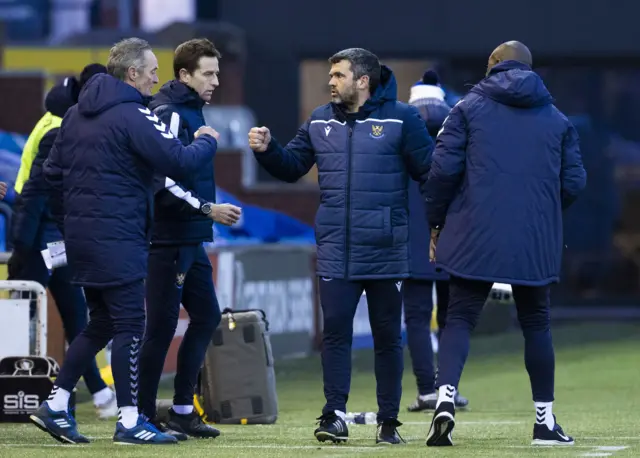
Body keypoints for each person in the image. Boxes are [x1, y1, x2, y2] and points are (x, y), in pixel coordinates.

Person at [29, 37, 219, 446]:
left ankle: (57, 406)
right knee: (131, 324)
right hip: (120, 238)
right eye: (151, 70)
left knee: (99, 324)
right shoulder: (133, 114)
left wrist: (72, 221)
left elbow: (51, 174)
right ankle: (131, 420)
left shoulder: (77, 114)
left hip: (82, 240)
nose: (156, 77)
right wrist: (206, 140)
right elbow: (179, 161)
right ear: (132, 74)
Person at [249, 48, 433, 445]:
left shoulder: (402, 119)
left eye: (338, 75)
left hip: (385, 248)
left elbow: (430, 172)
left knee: (387, 338)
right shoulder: (318, 121)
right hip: (335, 249)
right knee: (335, 335)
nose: (330, 81)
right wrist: (266, 151)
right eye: (330, 75)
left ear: (362, 80)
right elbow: (292, 166)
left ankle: (388, 423)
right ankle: (333, 415)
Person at [424, 41, 586, 447]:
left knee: (459, 318)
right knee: (537, 323)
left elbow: (442, 171)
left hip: (473, 230)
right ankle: (544, 422)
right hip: (534, 236)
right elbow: (575, 182)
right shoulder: (558, 119)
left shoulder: (466, 109)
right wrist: (544, 210)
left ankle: (444, 401)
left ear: (492, 66)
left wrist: (437, 221)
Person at [138, 38, 241, 441]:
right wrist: (206, 208)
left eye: (217, 72)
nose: (216, 80)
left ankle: (182, 409)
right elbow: (161, 179)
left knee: (207, 317)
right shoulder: (168, 113)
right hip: (168, 239)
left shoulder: (189, 109)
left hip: (189, 237)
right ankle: (142, 415)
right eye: (208, 73)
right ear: (185, 75)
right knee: (160, 330)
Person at [8, 64, 119, 420]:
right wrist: (22, 248)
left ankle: (93, 394)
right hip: (44, 239)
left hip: (50, 239)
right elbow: (37, 195)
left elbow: (32, 190)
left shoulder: (54, 121)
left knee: (69, 318)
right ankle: (88, 395)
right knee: (39, 318)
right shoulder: (61, 130)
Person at [403, 70, 469, 413]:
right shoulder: (459, 132)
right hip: (451, 237)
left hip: (411, 238)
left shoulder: (399, 130)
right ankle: (448, 389)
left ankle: (427, 390)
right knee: (451, 317)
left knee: (415, 318)